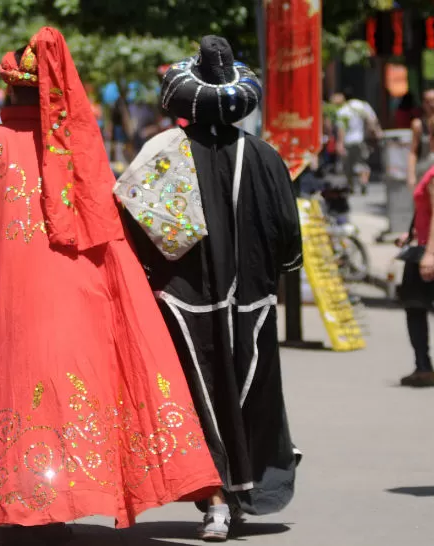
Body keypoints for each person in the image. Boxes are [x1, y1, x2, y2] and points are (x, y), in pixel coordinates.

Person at [0, 27, 221, 543]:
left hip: (9, 307)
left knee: (21, 393)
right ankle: (58, 503)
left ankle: (22, 501)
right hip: (78, 303)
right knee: (68, 394)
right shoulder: (78, 155)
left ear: (10, 91)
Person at [120, 37, 303, 542]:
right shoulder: (266, 157)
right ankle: (243, 489)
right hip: (253, 302)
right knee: (248, 393)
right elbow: (287, 235)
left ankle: (214, 501)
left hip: (184, 301)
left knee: (197, 398)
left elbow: (131, 224)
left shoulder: (162, 153)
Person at [395, 114, 434, 388]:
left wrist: (430, 253)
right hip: (421, 243)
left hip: (429, 250)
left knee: (416, 307)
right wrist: (410, 234)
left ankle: (423, 366)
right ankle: (422, 366)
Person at [333, 89, 381, 195]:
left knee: (348, 166)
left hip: (348, 141)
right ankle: (363, 182)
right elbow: (373, 120)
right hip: (361, 140)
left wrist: (339, 143)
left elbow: (341, 129)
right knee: (362, 163)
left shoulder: (343, 110)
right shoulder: (364, 106)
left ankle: (351, 186)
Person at [407, 88, 434, 191]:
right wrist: (411, 175)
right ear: (423, 104)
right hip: (424, 170)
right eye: (429, 101)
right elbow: (413, 152)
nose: (432, 104)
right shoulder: (418, 125)